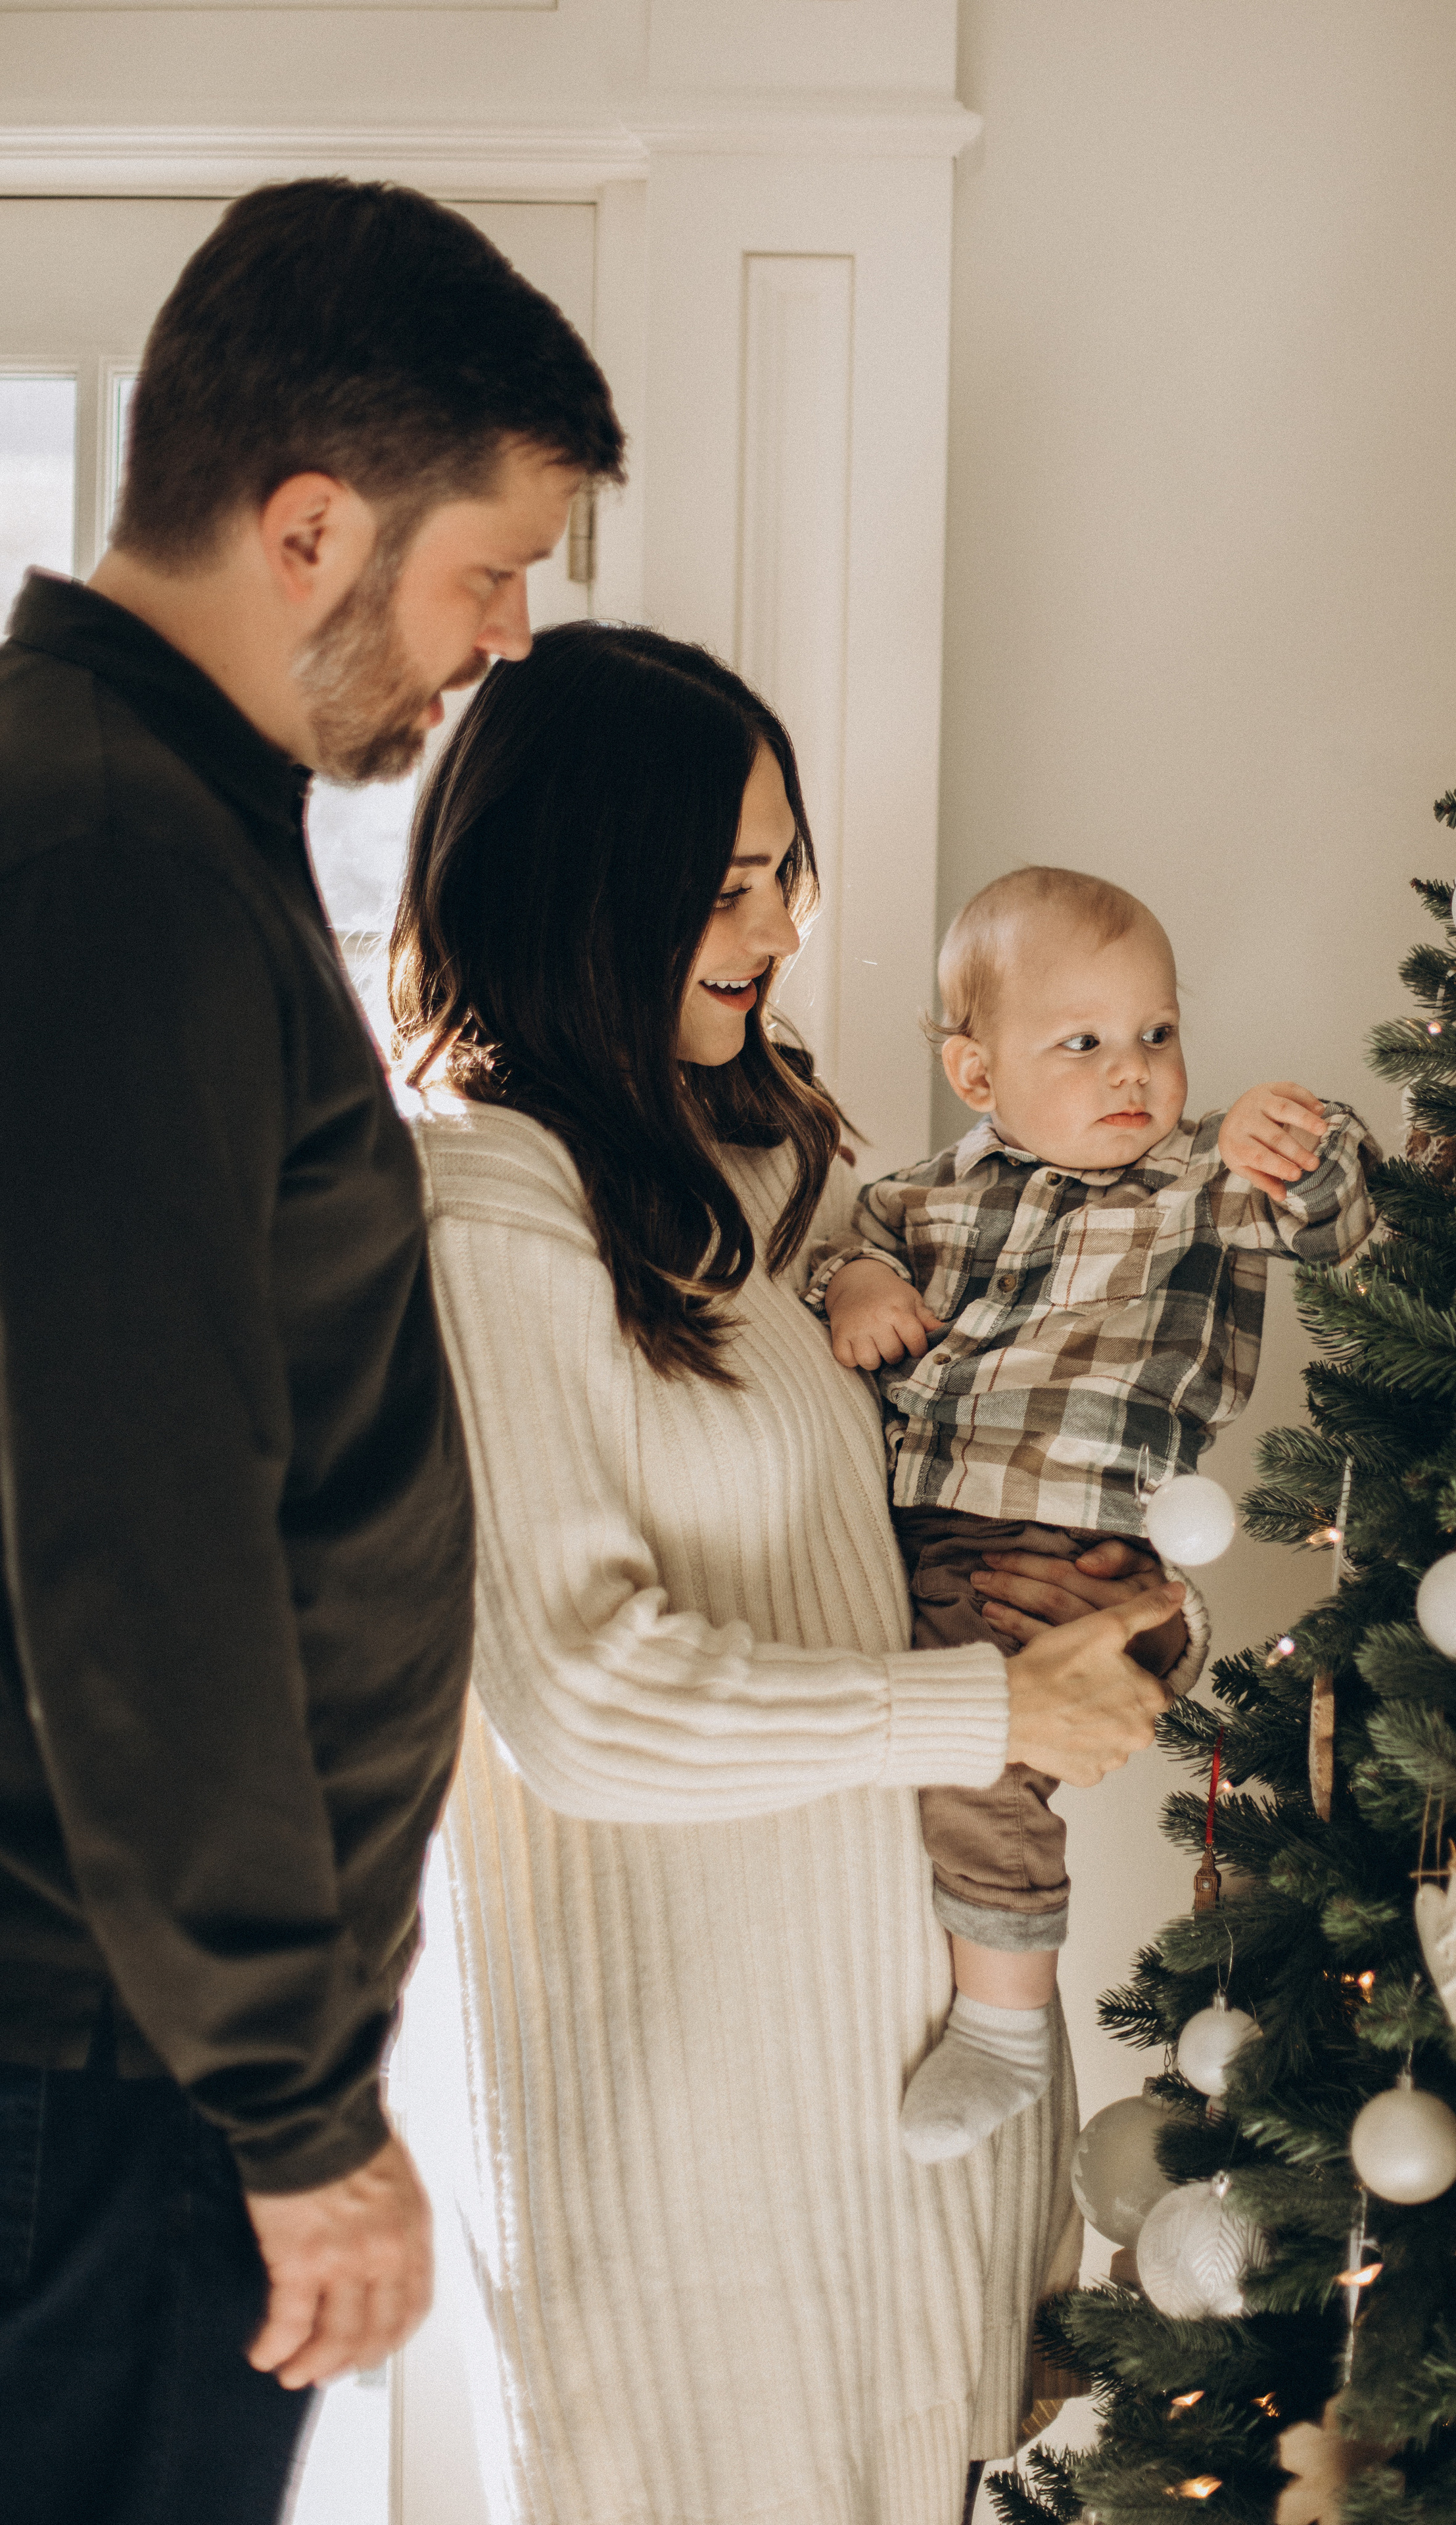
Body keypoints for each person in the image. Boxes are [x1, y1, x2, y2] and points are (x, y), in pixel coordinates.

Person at [390, 622, 1188, 2525]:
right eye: (727, 883)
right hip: (691, 2160)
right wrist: (997, 1698)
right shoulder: (485, 1207)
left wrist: (1094, 1603)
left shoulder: (763, 1158)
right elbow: (579, 1698)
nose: (776, 925)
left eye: (783, 870)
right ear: (589, 882)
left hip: (918, 2089)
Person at [0, 179, 624, 2524]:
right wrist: (291, 2107)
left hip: (138, 2062)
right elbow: (135, 1552)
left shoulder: (160, 823)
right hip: (119, 2078)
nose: (500, 640)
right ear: (307, 525)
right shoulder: (109, 867)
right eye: (488, 571)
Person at [809, 866, 1379, 2163]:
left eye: (1156, 1034)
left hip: (1083, 1536)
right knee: (942, 1749)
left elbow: (1342, 1225)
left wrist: (1297, 1134)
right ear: (976, 1072)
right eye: (1081, 1042)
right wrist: (853, 1284)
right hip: (930, 1528)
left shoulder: (1203, 1181)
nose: (1132, 1070)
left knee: (981, 1759)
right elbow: (836, 1244)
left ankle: (1004, 2021)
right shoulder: (922, 1200)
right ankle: (991, 1979)